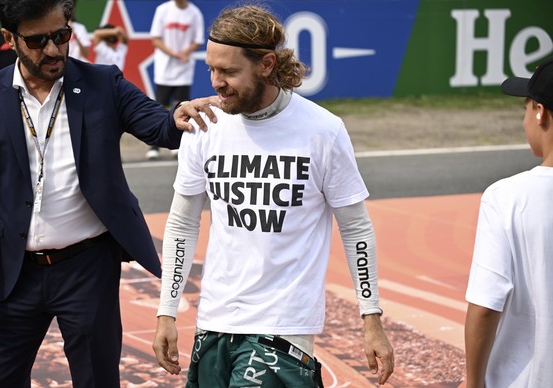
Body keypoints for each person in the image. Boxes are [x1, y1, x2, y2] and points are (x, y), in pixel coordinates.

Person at [0, 0, 217, 386]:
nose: (53, 49)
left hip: (87, 268)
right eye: (38, 41)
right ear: (9, 39)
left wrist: (176, 116)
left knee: (96, 380)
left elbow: (157, 124)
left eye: (61, 35)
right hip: (16, 272)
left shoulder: (103, 82)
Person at [152, 4, 394, 387]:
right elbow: (182, 222)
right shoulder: (204, 126)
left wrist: (372, 319)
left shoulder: (322, 130)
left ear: (266, 64)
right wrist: (167, 311)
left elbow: (356, 228)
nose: (216, 83)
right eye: (211, 69)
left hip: (284, 328)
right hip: (214, 323)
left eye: (229, 71)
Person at [464, 56, 553, 387]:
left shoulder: (506, 197)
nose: (525, 117)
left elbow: (486, 306)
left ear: (541, 112)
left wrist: (473, 381)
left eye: (527, 108)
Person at [146, 0, 204, 160]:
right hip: (164, 70)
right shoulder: (163, 10)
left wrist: (184, 52)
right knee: (160, 106)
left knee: (182, 106)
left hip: (184, 70)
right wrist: (173, 53)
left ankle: (177, 143)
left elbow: (197, 40)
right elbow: (156, 39)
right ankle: (154, 146)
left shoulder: (194, 13)